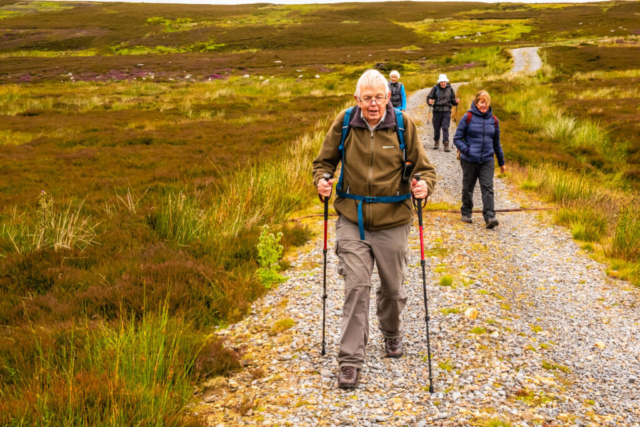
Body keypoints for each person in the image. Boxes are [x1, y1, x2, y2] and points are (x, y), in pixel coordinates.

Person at [313, 69, 436, 389]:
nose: (373, 104)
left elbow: (424, 168)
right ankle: (350, 360)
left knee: (393, 290)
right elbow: (323, 163)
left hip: (394, 219)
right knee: (356, 287)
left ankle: (391, 333)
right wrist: (322, 181)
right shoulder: (344, 123)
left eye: (379, 97)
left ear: (387, 98)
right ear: (357, 99)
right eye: (367, 98)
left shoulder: (401, 124)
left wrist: (423, 186)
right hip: (352, 219)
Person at [453, 90, 506, 229]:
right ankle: (466, 212)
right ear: (476, 103)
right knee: (468, 186)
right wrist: (467, 150)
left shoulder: (494, 121)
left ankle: (490, 216)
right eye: (482, 102)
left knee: (487, 187)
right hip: (470, 159)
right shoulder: (468, 117)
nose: (484, 105)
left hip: (487, 159)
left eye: (486, 102)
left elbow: (496, 144)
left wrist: (501, 162)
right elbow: (457, 138)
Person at [426, 74, 459, 152]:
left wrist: (456, 101)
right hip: (437, 111)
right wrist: (429, 101)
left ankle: (446, 144)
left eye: (444, 82)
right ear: (439, 82)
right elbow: (429, 97)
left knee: (445, 127)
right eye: (441, 82)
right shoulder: (435, 88)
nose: (443, 83)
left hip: (446, 111)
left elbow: (453, 101)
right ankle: (436, 142)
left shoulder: (450, 89)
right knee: (436, 127)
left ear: (446, 81)